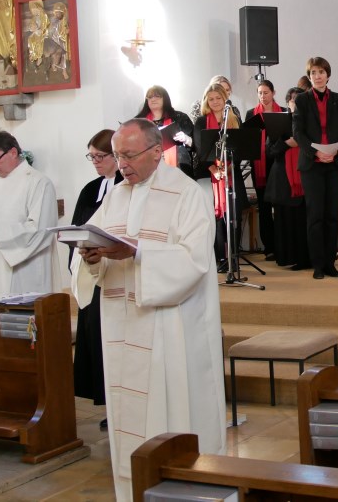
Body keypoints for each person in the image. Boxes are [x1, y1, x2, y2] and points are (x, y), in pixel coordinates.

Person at [71, 119, 226, 501]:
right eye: (117, 155)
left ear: (157, 151)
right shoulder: (115, 196)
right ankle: (133, 491)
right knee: (128, 418)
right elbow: (94, 253)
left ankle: (185, 491)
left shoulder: (186, 193)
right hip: (122, 325)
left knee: (170, 412)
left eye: (128, 155)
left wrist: (137, 252)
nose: (121, 164)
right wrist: (91, 255)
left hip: (169, 328)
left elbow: (195, 261)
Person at [0, 131, 60, 297]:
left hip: (24, 269)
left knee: (22, 319)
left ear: (13, 152)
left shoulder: (39, 183)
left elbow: (40, 229)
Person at [70, 129, 122, 427]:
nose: (95, 162)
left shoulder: (127, 187)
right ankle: (105, 403)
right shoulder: (91, 189)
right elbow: (78, 225)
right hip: (90, 270)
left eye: (99, 156)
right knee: (94, 340)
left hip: (114, 270)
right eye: (91, 156)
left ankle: (120, 403)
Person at [292, 57, 338, 280]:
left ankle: (330, 263)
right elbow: (298, 132)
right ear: (309, 76)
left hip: (334, 163)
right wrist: (316, 152)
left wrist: (334, 151)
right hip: (312, 165)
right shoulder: (302, 100)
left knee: (332, 216)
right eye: (313, 73)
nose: (317, 76)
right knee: (315, 216)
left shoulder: (337, 99)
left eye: (321, 72)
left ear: (328, 74)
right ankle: (317, 264)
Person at [193, 83, 243, 272]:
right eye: (211, 99)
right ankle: (221, 258)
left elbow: (240, 146)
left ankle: (234, 256)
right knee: (216, 218)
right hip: (209, 175)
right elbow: (200, 148)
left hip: (231, 174)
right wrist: (214, 168)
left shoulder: (233, 118)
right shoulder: (200, 122)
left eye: (218, 98)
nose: (214, 102)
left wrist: (228, 167)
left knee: (233, 216)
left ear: (225, 99)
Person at [265, 88, 310, 269]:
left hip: (305, 176)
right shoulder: (278, 122)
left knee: (303, 220)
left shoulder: (309, 122)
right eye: (293, 100)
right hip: (283, 179)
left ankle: (305, 258)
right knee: (285, 219)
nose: (296, 103)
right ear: (288, 103)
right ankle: (287, 257)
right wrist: (286, 144)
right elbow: (269, 152)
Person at [249, 80, 282, 258]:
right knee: (264, 206)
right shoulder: (251, 114)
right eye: (260, 93)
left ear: (273, 93)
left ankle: (281, 244)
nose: (263, 96)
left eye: (266, 92)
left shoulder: (282, 112)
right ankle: (269, 247)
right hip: (259, 165)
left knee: (279, 206)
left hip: (277, 164)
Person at [135, 85, 194, 177]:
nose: (153, 99)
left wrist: (186, 139)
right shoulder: (139, 122)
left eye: (157, 96)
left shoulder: (180, 118)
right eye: (150, 97)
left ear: (165, 98)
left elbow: (195, 145)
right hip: (150, 170)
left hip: (179, 168)